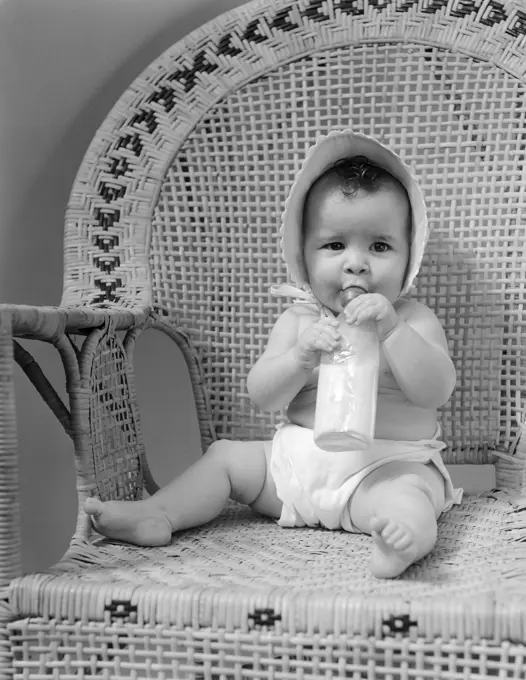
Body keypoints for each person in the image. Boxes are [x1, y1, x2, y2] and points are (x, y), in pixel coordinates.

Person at [85, 130, 463, 579]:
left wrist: (392, 331)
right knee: (227, 458)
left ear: (409, 257)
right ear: (303, 256)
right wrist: (300, 359)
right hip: (295, 468)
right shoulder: (300, 321)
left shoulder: (412, 319)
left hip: (384, 468)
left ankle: (400, 540)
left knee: (410, 496)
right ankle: (160, 514)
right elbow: (262, 395)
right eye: (335, 245)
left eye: (379, 246)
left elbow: (435, 390)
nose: (356, 263)